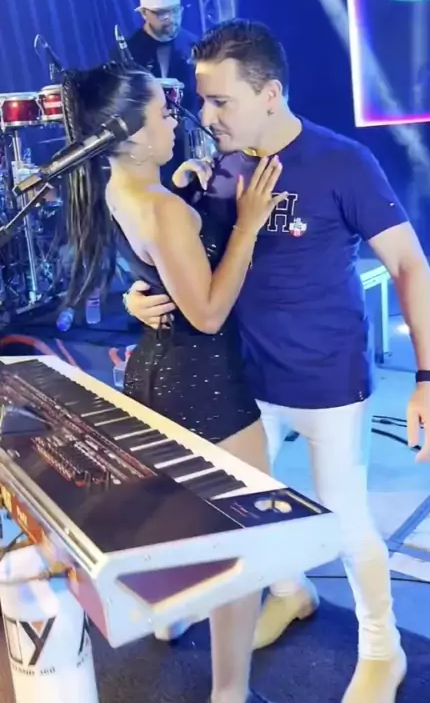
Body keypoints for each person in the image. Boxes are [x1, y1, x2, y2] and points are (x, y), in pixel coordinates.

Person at [125, 19, 430, 703]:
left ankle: (382, 647)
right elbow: (192, 262)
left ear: (270, 93)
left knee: (345, 522)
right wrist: (141, 294)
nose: (206, 115)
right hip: (244, 381)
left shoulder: (341, 163)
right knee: (247, 514)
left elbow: (409, 265)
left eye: (221, 101)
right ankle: (290, 592)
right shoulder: (220, 167)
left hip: (328, 380)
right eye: (202, 99)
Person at [61, 61, 285, 703]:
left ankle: (170, 618)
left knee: (186, 517)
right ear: (131, 134)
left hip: (155, 374)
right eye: (164, 113)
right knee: (243, 544)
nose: (177, 121)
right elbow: (208, 313)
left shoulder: (119, 189)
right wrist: (246, 225)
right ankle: (229, 690)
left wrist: (185, 200)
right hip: (205, 382)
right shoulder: (161, 209)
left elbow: (154, 267)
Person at [111, 0, 198, 180]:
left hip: (189, 142)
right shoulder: (127, 51)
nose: (170, 18)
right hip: (148, 149)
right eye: (161, 13)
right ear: (144, 13)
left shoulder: (195, 44)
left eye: (175, 10)